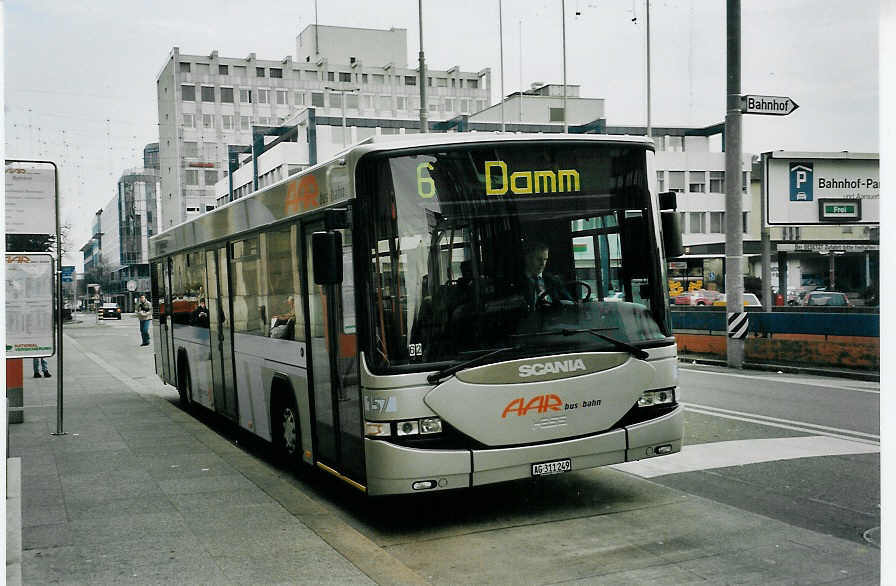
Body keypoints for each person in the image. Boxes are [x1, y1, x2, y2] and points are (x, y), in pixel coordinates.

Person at [520, 241, 571, 308]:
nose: (543, 264)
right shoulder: (517, 282)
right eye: (539, 259)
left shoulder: (553, 280)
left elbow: (570, 301)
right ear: (528, 258)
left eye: (545, 259)